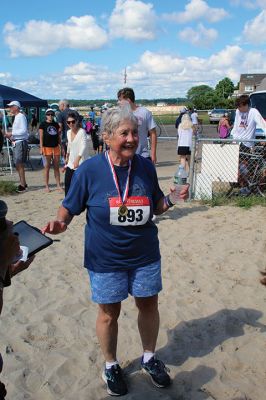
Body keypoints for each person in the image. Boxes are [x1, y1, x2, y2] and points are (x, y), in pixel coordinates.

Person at [42, 105, 188, 397]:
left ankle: (148, 358)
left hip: (145, 254)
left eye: (135, 132)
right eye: (125, 133)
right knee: (109, 313)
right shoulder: (89, 171)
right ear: (107, 137)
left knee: (149, 305)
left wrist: (171, 199)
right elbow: (68, 209)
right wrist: (60, 223)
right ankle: (111, 365)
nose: (132, 138)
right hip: (105, 258)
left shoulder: (145, 166)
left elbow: (155, 206)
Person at [231, 95, 266, 193]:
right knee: (235, 166)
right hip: (237, 142)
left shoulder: (253, 112)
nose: (239, 108)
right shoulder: (238, 112)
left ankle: (246, 187)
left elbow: (263, 124)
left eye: (240, 106)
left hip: (247, 144)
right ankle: (243, 186)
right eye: (237, 106)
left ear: (246, 105)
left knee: (244, 167)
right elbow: (236, 125)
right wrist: (232, 137)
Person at [117, 87, 157, 163]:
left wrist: (153, 153)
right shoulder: (120, 114)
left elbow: (153, 133)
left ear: (128, 100)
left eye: (120, 100)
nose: (118, 102)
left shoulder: (145, 112)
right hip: (125, 155)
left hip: (143, 155)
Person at [5, 101, 29, 193]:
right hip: (18, 142)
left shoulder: (20, 116)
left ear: (16, 107)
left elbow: (23, 131)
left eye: (11, 106)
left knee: (19, 163)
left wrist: (11, 133)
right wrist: (11, 136)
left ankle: (23, 185)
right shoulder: (18, 116)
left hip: (20, 143)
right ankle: (23, 183)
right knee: (18, 163)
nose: (10, 108)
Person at [63, 111, 89, 195]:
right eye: (68, 122)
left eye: (73, 122)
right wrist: (67, 156)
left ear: (77, 121)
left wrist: (78, 159)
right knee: (67, 184)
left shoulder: (82, 132)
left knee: (79, 186)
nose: (71, 124)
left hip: (81, 162)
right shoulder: (68, 132)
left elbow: (83, 146)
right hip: (71, 162)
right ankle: (67, 203)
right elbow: (69, 145)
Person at [39, 109, 63, 193]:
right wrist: (41, 147)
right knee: (47, 167)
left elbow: (58, 137)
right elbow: (41, 137)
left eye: (52, 114)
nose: (50, 116)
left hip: (55, 147)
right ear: (46, 115)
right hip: (46, 148)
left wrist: (62, 147)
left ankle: (58, 185)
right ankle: (46, 186)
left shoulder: (55, 124)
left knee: (56, 167)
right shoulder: (43, 124)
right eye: (48, 114)